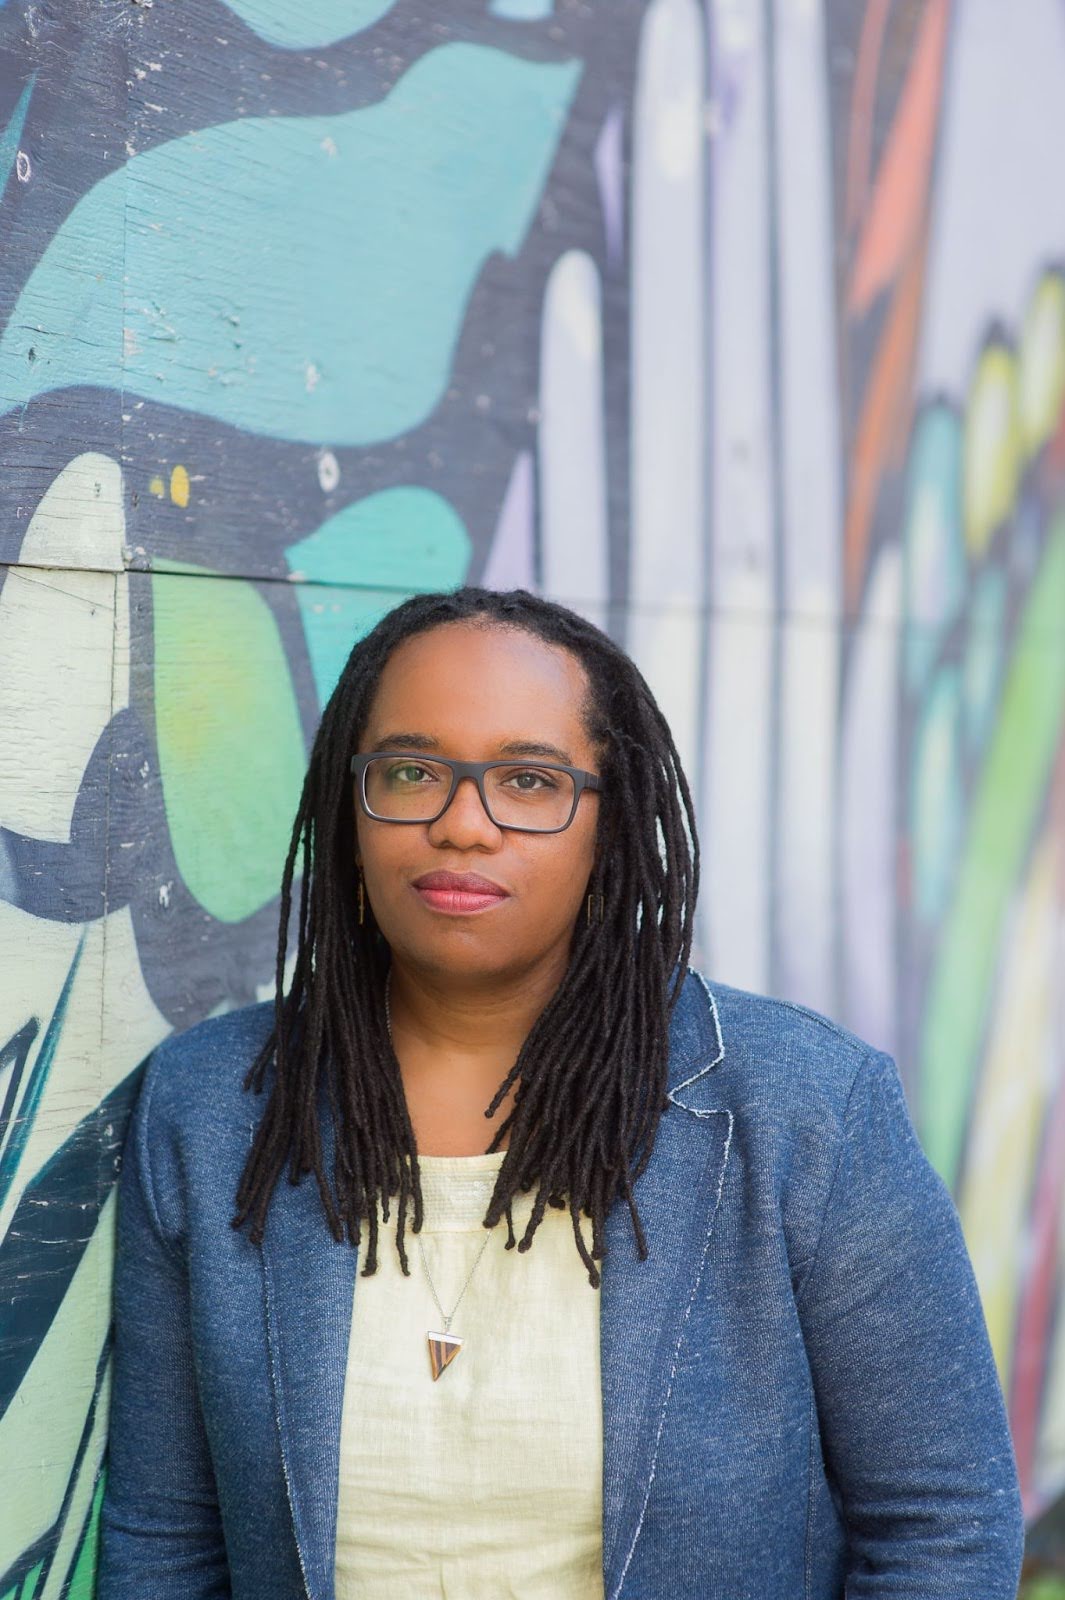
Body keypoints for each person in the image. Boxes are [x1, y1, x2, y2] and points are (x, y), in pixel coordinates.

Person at [98, 586, 1024, 1599]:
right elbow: (164, 1541)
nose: (461, 823)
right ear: (347, 805)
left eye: (529, 782)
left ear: (609, 822)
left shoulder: (806, 1111)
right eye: (410, 771)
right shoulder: (210, 1111)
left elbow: (943, 1525)